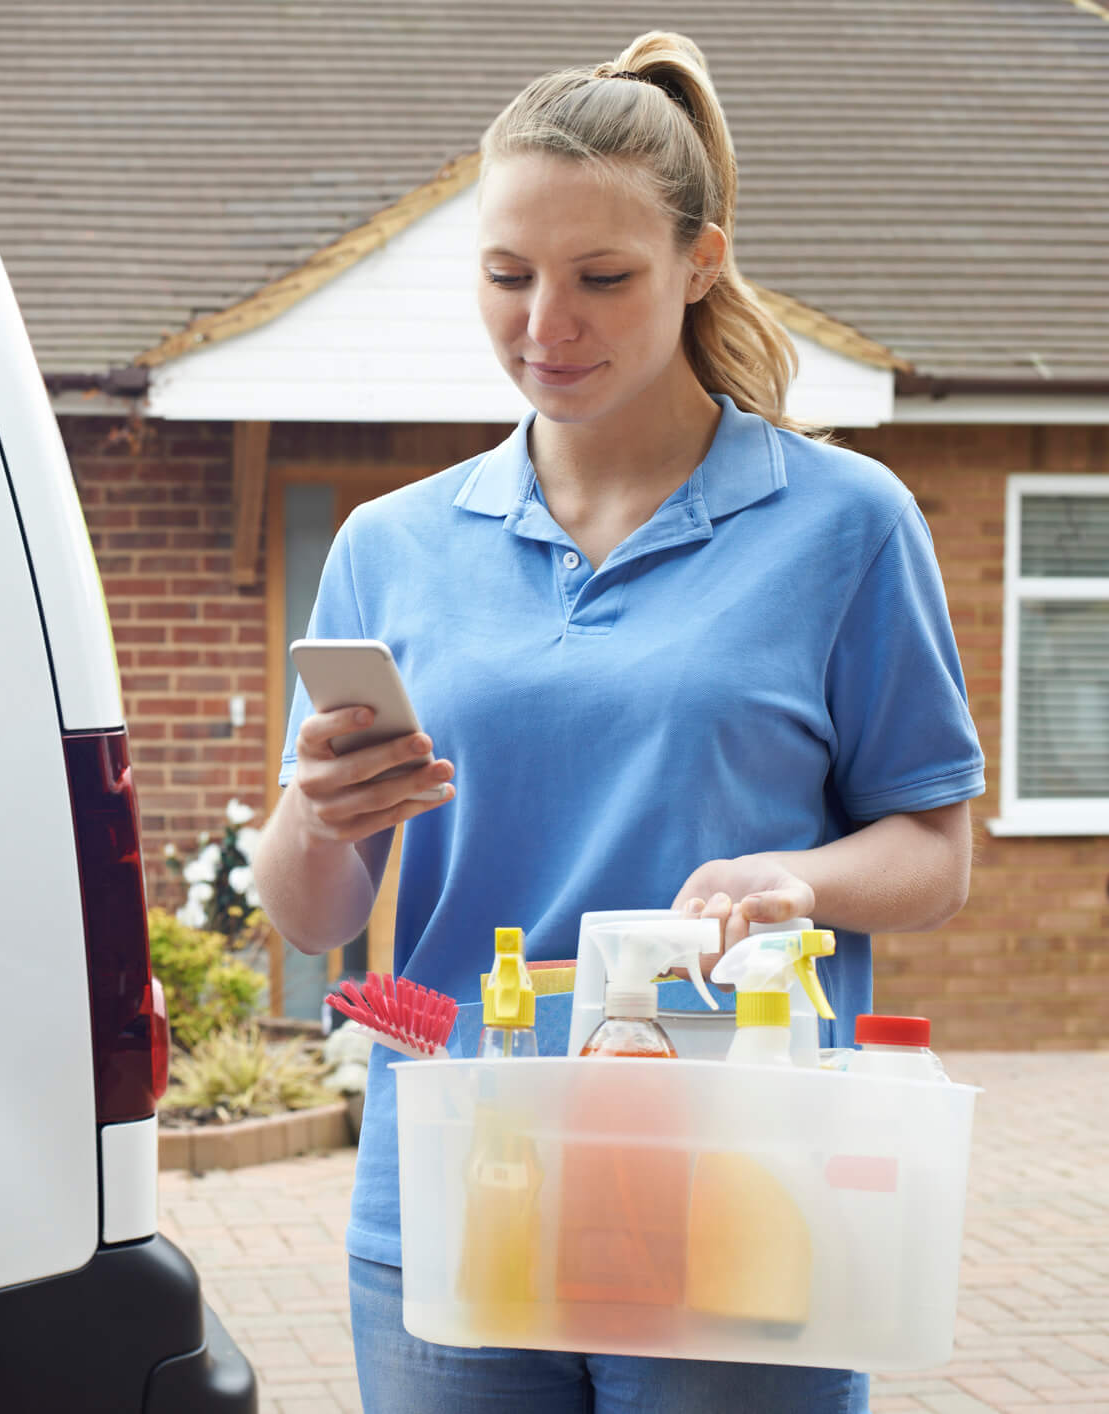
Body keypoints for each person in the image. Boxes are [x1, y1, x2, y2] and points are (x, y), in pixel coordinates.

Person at [250, 29, 982, 1414]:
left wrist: (798, 879)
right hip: (461, 1178)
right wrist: (314, 809)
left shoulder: (843, 524)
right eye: (507, 277)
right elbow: (310, 912)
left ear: (701, 264)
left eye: (602, 279)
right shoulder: (390, 546)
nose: (546, 327)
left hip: (738, 1180)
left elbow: (936, 851)